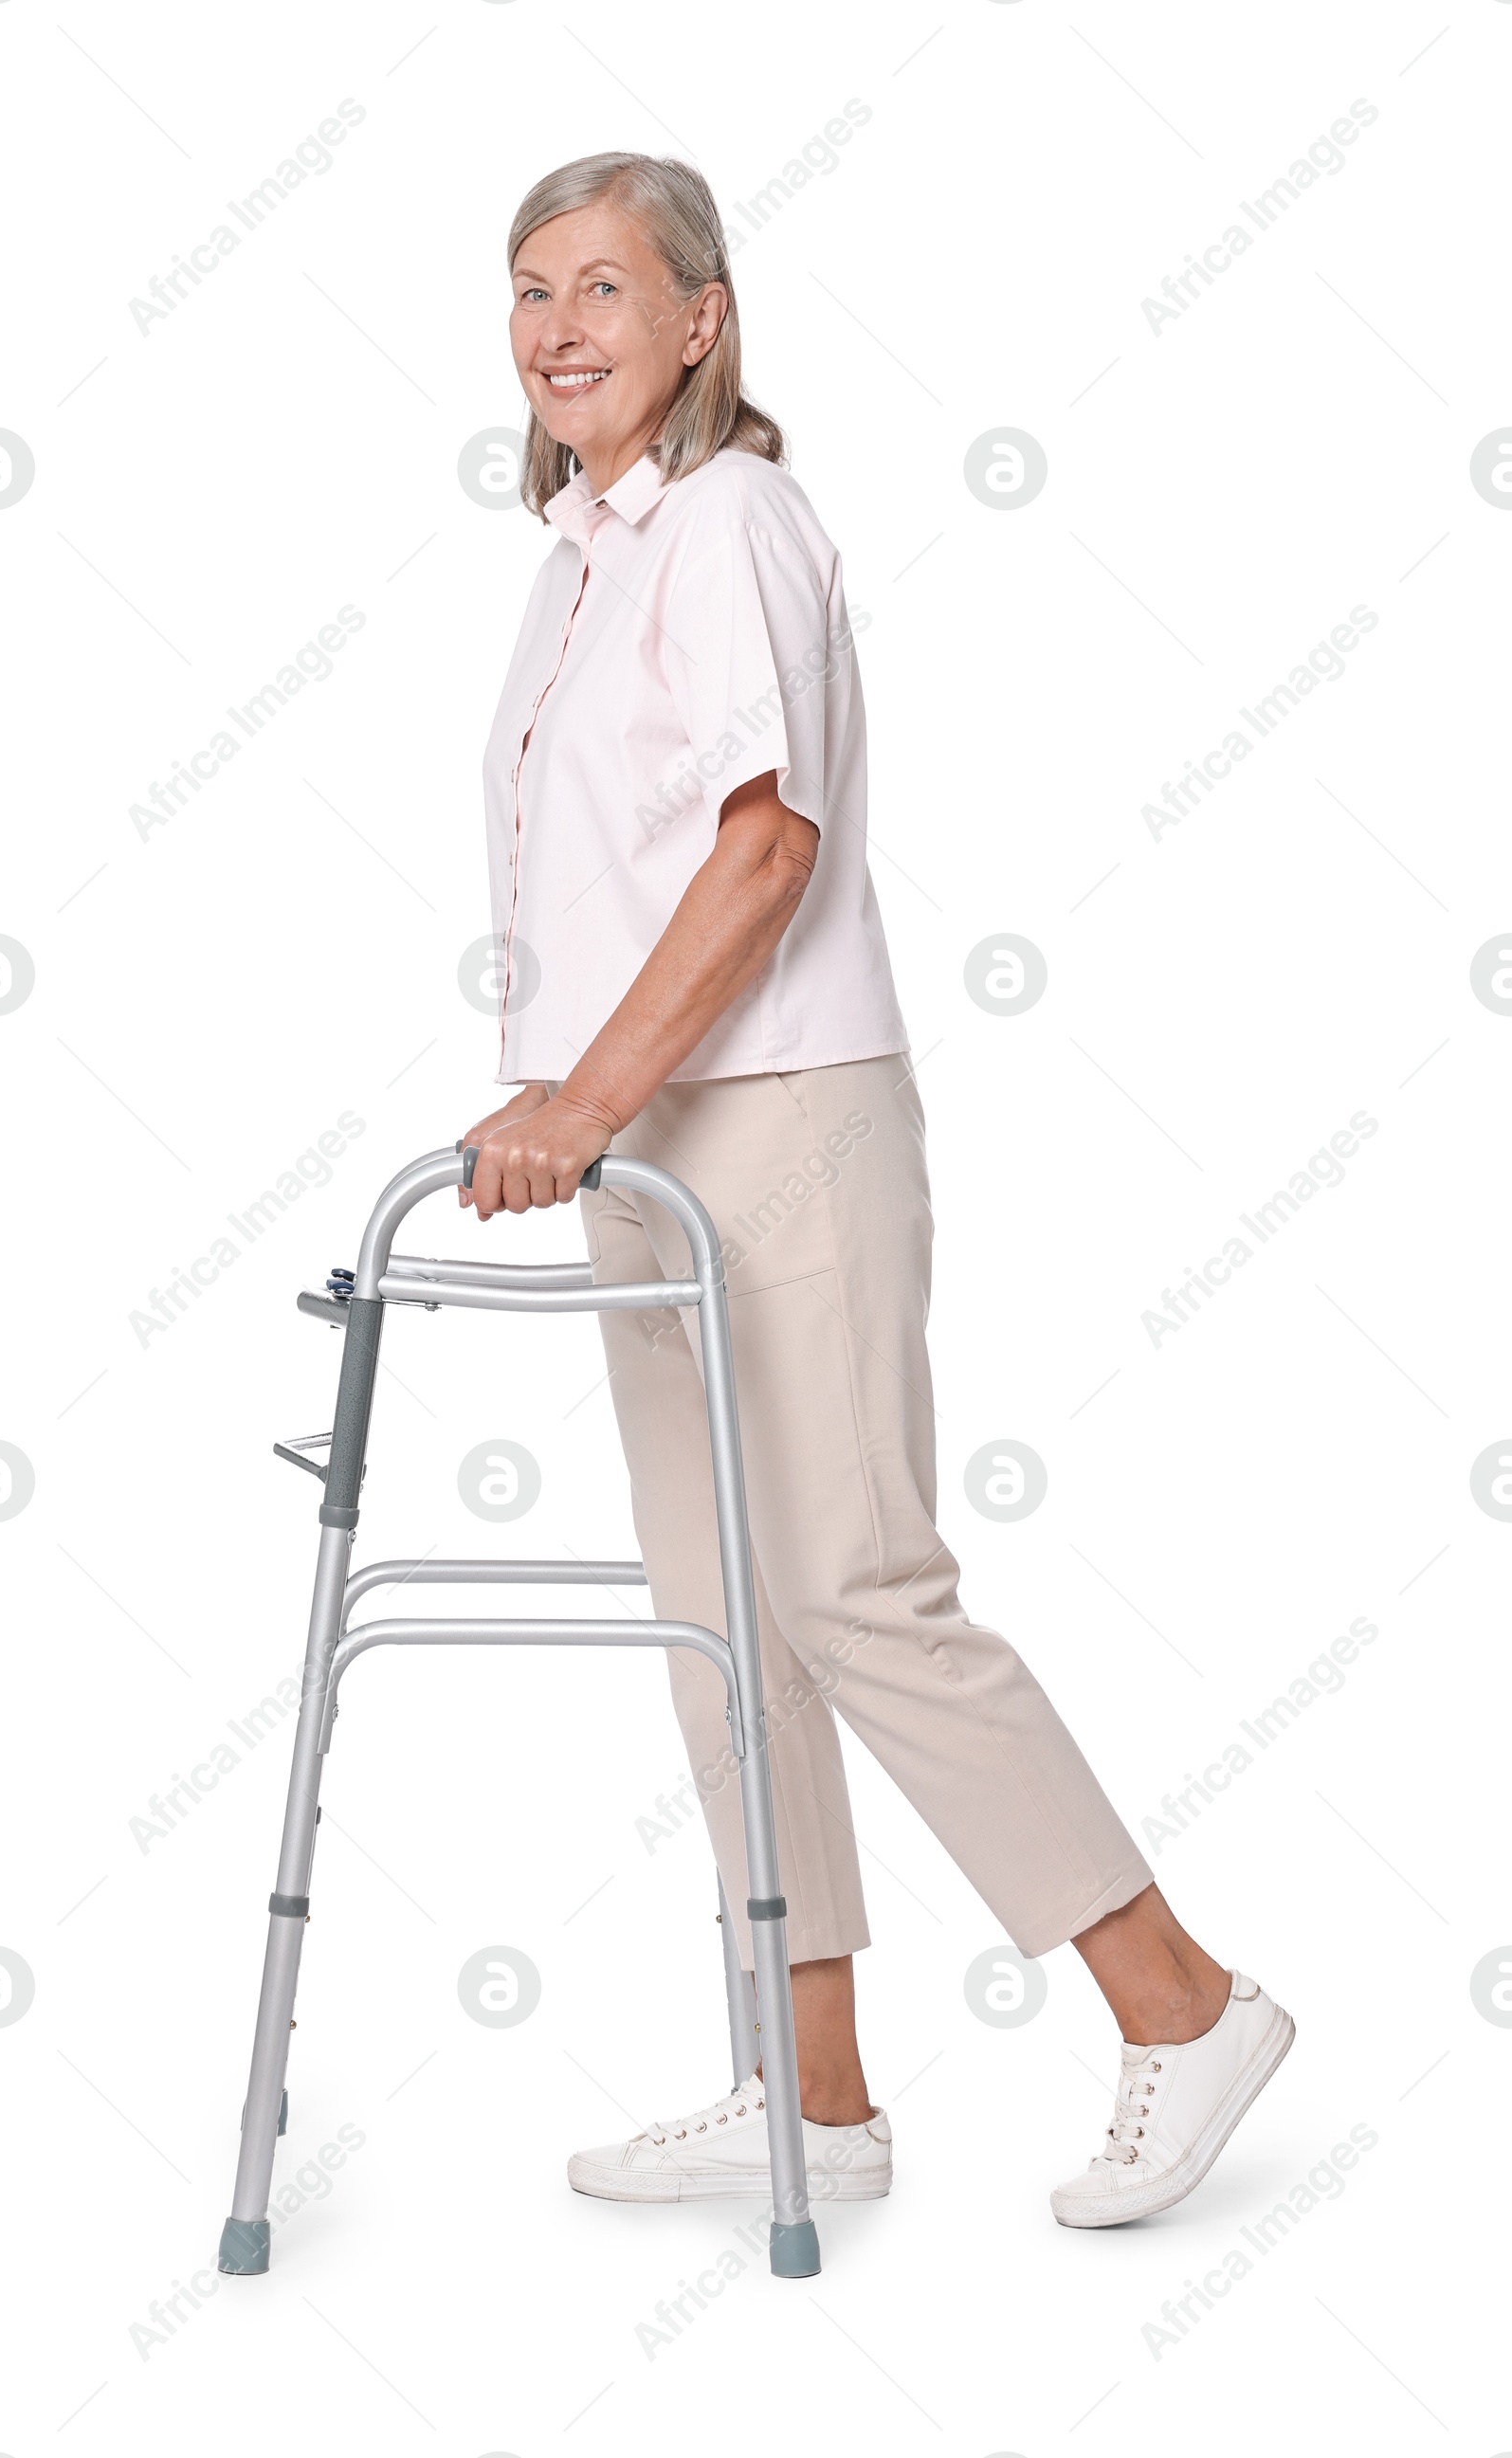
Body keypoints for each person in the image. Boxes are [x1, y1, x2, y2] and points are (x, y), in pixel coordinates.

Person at [460, 150, 1293, 2227]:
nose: (558, 326)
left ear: (698, 320)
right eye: (528, 291)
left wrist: (577, 1096)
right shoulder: (575, 546)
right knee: (722, 1616)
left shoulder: (730, 518)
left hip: (776, 1111)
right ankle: (809, 2095)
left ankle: (1179, 2002)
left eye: (603, 290)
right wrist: (578, 1109)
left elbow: (765, 852)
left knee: (852, 1585)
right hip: (642, 1134)